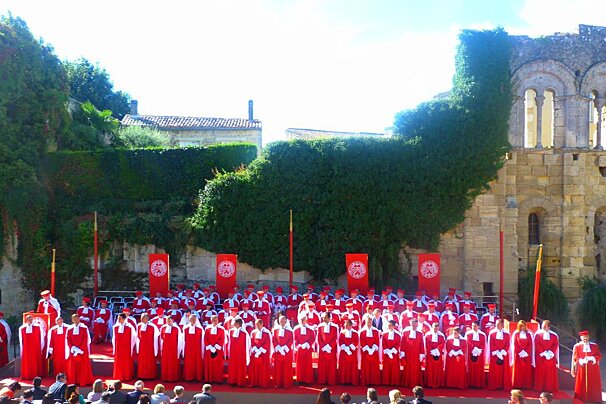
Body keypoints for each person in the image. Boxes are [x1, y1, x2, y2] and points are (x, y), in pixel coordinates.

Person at [572, 330, 602, 403]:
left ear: (588, 337)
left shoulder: (594, 345)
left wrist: (592, 358)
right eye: (583, 337)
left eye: (586, 336)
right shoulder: (577, 346)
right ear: (581, 338)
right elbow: (575, 356)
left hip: (593, 368)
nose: (585, 338)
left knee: (593, 383)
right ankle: (582, 398)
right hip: (582, 368)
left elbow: (599, 355)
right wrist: (580, 360)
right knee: (582, 382)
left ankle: (594, 399)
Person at [66, 314, 94, 386]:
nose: (75, 320)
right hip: (73, 351)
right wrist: (73, 348)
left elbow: (86, 339)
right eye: (74, 319)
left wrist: (80, 349)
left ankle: (83, 381)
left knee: (83, 366)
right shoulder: (69, 329)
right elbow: (68, 339)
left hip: (82, 351)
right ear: (72, 320)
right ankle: (73, 381)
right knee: (73, 366)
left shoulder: (84, 328)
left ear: (79, 319)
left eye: (77, 318)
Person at [533, 320, 559, 393]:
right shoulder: (538, 335)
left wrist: (550, 353)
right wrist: (544, 353)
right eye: (542, 326)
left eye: (545, 326)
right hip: (541, 357)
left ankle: (549, 388)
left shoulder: (554, 335)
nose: (543, 327)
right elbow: (537, 344)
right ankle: (539, 388)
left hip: (550, 357)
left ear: (549, 327)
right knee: (540, 373)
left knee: (549, 374)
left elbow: (555, 345)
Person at [486, 319, 511, 390]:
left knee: (504, 371)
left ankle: (503, 385)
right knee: (495, 371)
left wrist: (502, 352)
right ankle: (494, 385)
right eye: (496, 324)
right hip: (495, 355)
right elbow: (491, 344)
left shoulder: (507, 334)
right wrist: (497, 353)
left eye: (498, 324)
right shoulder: (492, 333)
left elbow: (508, 344)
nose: (497, 325)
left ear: (502, 325)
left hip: (504, 355)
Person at [400, 318, 425, 388]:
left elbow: (421, 344)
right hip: (408, 354)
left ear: (417, 324)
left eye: (415, 324)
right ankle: (406, 383)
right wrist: (402, 353)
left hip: (416, 354)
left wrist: (421, 354)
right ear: (410, 324)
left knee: (415, 369)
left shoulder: (420, 333)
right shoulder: (405, 332)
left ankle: (415, 383)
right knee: (407, 368)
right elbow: (403, 343)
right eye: (412, 324)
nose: (413, 325)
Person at [19, 315, 45, 379]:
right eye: (28, 319)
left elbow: (42, 336)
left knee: (35, 361)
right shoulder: (22, 328)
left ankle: (37, 375)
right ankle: (27, 375)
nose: (30, 320)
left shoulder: (38, 327)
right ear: (26, 319)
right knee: (27, 362)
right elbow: (21, 339)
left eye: (31, 319)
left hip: (36, 348)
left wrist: (41, 346)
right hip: (26, 349)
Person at [112, 314, 137, 381]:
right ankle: (118, 375)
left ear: (124, 319)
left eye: (120, 318)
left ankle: (127, 376)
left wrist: (131, 346)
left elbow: (134, 337)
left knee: (126, 362)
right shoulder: (115, 327)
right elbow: (114, 338)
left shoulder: (130, 327)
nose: (119, 320)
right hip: (118, 348)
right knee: (119, 362)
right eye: (118, 318)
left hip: (126, 348)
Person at [510, 320, 534, 389]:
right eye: (521, 326)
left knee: (526, 370)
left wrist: (526, 352)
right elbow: (515, 344)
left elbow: (530, 344)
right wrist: (520, 352)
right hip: (518, 355)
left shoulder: (529, 334)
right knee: (518, 370)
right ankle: (517, 385)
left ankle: (526, 385)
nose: (522, 328)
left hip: (526, 355)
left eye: (523, 326)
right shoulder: (516, 334)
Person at [203, 315, 227, 383]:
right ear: (211, 320)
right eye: (213, 320)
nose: (215, 321)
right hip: (209, 350)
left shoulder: (221, 329)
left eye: (216, 320)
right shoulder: (207, 329)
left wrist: (216, 347)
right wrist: (210, 347)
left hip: (218, 350)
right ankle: (209, 379)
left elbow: (222, 339)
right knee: (209, 365)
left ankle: (218, 379)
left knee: (218, 365)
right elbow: (205, 338)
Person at [249, 318, 272, 388]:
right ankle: (255, 383)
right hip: (255, 354)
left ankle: (263, 383)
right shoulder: (253, 332)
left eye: (258, 325)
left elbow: (268, 343)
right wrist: (255, 350)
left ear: (262, 324)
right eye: (256, 325)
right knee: (255, 369)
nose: (257, 326)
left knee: (263, 369)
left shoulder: (267, 332)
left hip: (263, 354)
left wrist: (260, 350)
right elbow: (252, 342)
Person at [317, 312, 339, 385]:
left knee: (331, 366)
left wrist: (329, 347)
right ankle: (322, 380)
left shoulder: (335, 327)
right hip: (323, 349)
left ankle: (331, 381)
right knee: (322, 365)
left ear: (329, 318)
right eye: (323, 317)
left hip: (331, 349)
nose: (324, 319)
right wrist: (323, 346)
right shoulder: (320, 326)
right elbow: (319, 337)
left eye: (325, 317)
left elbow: (335, 338)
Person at [227, 317, 250, 386]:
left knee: (240, 367)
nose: (233, 324)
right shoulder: (231, 331)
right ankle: (232, 381)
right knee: (233, 367)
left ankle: (240, 382)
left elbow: (247, 344)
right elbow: (229, 342)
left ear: (238, 324)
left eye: (234, 323)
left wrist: (246, 355)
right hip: (233, 353)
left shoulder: (244, 333)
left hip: (241, 353)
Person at [272, 315, 294, 388]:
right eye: (280, 320)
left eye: (283, 320)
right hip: (278, 351)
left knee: (286, 368)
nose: (282, 321)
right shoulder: (275, 330)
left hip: (286, 352)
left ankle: (286, 384)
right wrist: (278, 347)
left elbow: (291, 340)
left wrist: (284, 348)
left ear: (286, 321)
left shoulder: (290, 331)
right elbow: (274, 339)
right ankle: (278, 383)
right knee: (278, 368)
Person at [293, 315, 316, 384]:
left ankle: (307, 380)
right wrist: (298, 345)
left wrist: (307, 344)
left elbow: (313, 337)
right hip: (300, 349)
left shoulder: (310, 329)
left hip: (307, 349)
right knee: (299, 365)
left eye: (304, 319)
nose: (303, 321)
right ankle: (299, 379)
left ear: (306, 320)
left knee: (307, 365)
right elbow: (294, 338)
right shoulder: (296, 329)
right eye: (301, 320)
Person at [159, 317, 183, 382]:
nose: (169, 322)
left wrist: (178, 350)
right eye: (167, 320)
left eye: (170, 320)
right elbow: (161, 338)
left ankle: (173, 378)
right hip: (165, 348)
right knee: (166, 363)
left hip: (173, 348)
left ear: (173, 320)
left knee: (173, 363)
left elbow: (179, 339)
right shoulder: (163, 328)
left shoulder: (176, 328)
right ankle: (165, 377)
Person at [359, 316, 381, 386]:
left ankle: (373, 381)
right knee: (366, 367)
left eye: (370, 322)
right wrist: (368, 349)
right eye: (367, 322)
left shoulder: (376, 331)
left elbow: (377, 341)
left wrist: (373, 349)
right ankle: (366, 381)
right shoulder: (362, 331)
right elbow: (362, 341)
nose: (369, 323)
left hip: (374, 352)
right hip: (366, 352)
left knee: (374, 367)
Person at [137, 314, 160, 379]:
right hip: (142, 346)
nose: (141, 319)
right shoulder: (138, 326)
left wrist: (155, 348)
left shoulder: (153, 326)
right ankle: (141, 375)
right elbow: (137, 336)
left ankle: (150, 375)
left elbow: (156, 336)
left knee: (150, 361)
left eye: (143, 317)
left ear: (147, 319)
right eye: (141, 317)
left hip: (150, 346)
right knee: (142, 361)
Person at [337, 319, 359, 385]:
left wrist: (350, 347)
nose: (346, 326)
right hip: (344, 352)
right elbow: (340, 341)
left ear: (351, 325)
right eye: (345, 325)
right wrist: (345, 348)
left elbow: (356, 341)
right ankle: (343, 381)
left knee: (352, 367)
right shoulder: (342, 333)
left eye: (347, 325)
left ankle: (352, 381)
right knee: (344, 366)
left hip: (352, 352)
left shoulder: (355, 333)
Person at [182, 315, 204, 382]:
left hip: (197, 349)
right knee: (189, 363)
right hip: (188, 349)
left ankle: (198, 377)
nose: (193, 321)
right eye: (191, 319)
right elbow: (183, 339)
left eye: (194, 319)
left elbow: (203, 340)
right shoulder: (185, 328)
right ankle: (189, 377)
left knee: (197, 363)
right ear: (189, 320)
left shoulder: (200, 329)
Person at [424, 322, 445, 388]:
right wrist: (431, 351)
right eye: (434, 327)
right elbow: (427, 343)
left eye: (437, 328)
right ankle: (429, 384)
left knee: (437, 370)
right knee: (430, 370)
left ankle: (437, 383)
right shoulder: (427, 335)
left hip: (438, 355)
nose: (435, 329)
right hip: (430, 355)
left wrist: (437, 350)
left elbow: (442, 343)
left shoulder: (441, 335)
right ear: (432, 327)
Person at [381, 319, 402, 386]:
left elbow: (398, 344)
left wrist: (392, 351)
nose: (389, 326)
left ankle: (394, 382)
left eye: (390, 325)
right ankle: (386, 382)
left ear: (393, 326)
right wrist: (388, 352)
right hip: (387, 354)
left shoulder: (398, 335)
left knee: (394, 368)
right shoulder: (384, 334)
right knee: (386, 368)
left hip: (394, 354)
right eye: (388, 325)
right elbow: (383, 343)